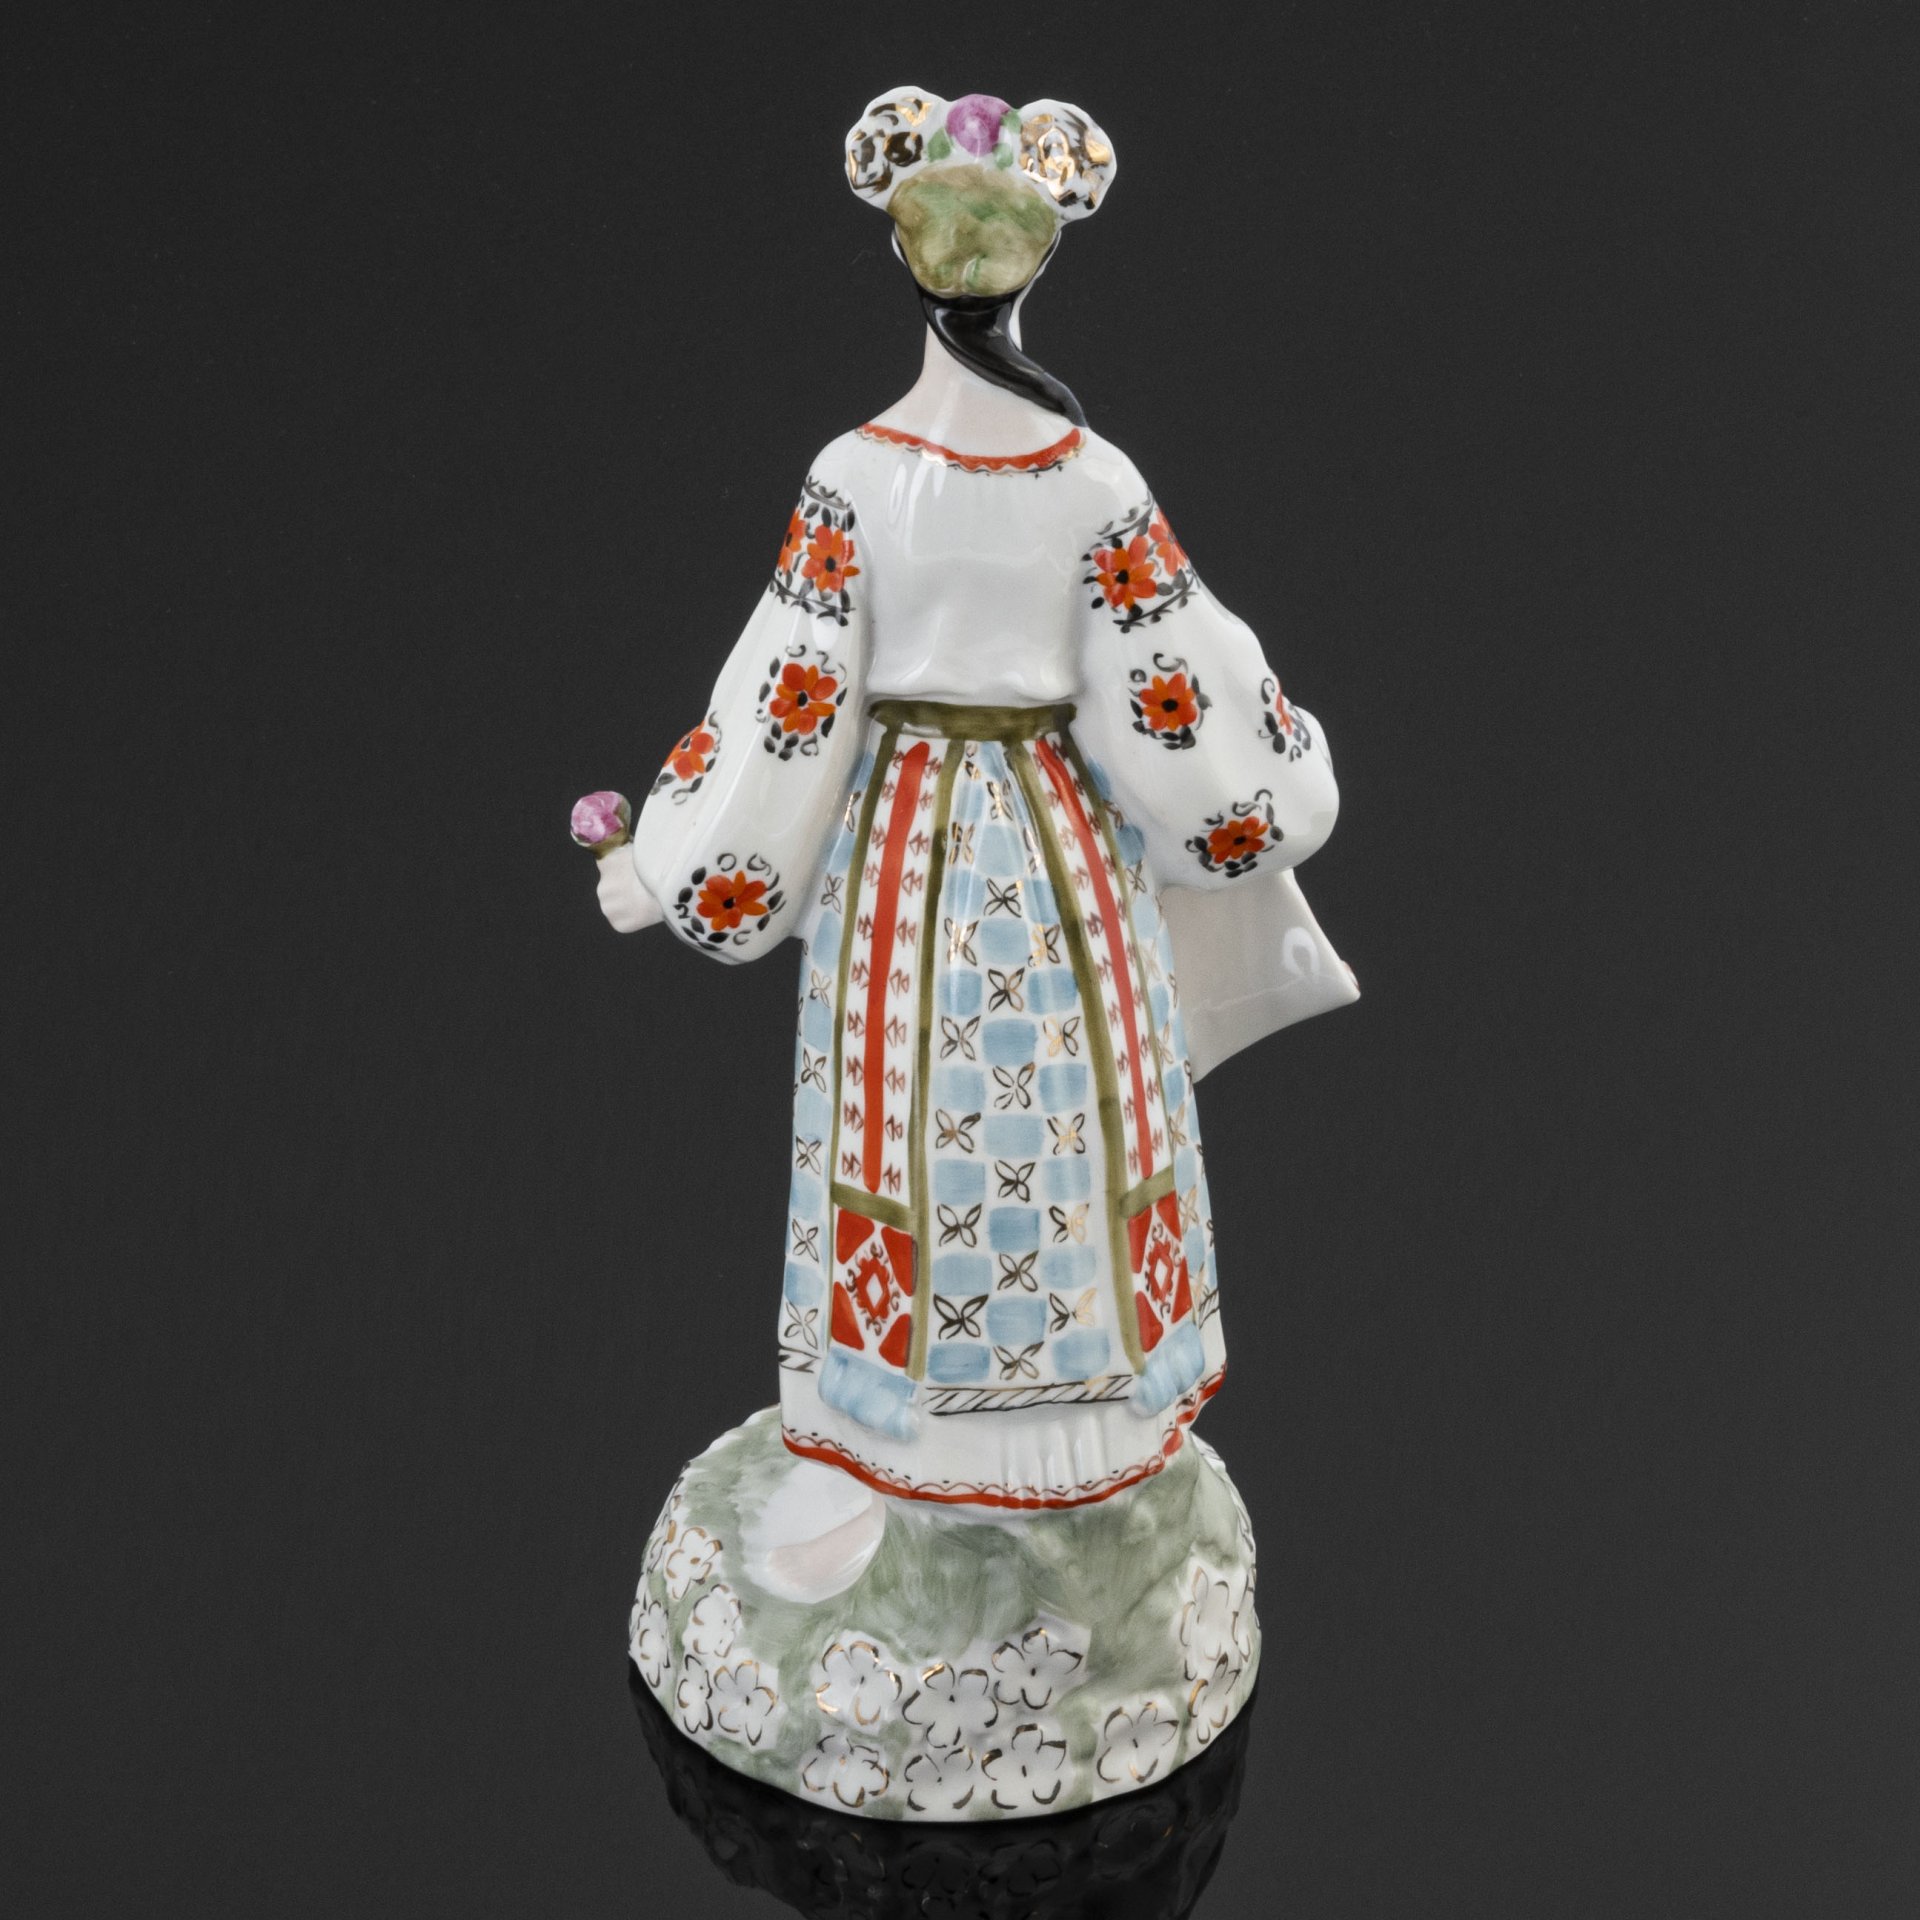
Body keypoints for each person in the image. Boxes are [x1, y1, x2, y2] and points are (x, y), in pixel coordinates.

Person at [592, 90, 1350, 1592]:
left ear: (906, 256)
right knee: (1070, 1118)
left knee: (907, 1115)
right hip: (1061, 855)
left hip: (906, 863)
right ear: (1038, 263)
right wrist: (1277, 782)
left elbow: (788, 707)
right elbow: (1176, 703)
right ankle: (1056, 1442)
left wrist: (677, 858)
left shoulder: (857, 477)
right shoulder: (1094, 484)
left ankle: (915, 1437)